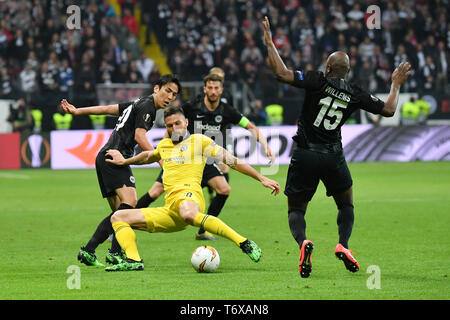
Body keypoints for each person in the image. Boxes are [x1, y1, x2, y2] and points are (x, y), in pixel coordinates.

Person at [262, 16, 411, 278]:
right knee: (346, 205)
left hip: (305, 153)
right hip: (333, 156)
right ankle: (343, 243)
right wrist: (395, 85)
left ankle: (303, 243)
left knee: (296, 209)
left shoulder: (317, 80)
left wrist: (269, 42)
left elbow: (281, 73)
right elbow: (388, 109)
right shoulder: (354, 93)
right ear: (347, 72)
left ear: (328, 68)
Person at [103, 105, 280, 271]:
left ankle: (243, 242)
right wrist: (125, 161)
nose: (174, 128)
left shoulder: (199, 141)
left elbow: (232, 160)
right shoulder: (165, 145)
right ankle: (133, 261)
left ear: (186, 122)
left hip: (190, 199)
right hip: (170, 210)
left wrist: (260, 177)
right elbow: (148, 155)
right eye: (169, 125)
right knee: (118, 217)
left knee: (187, 211)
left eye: (177, 123)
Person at [136, 72, 275, 241]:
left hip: (204, 160)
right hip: (181, 159)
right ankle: (127, 220)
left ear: (221, 90)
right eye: (210, 88)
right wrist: (167, 149)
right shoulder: (191, 106)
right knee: (155, 192)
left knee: (224, 189)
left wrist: (265, 145)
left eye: (216, 88)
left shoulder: (227, 111)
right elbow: (172, 122)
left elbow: (251, 127)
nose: (213, 91)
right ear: (205, 89)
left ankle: (203, 230)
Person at [60, 74, 181, 266]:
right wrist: (163, 162)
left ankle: (99, 252)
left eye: (174, 95)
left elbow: (108, 109)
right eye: (167, 91)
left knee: (120, 212)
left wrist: (78, 111)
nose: (170, 97)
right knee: (130, 204)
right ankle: (103, 251)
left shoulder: (139, 102)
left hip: (104, 156)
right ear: (156, 88)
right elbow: (140, 137)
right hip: (116, 158)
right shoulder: (148, 107)